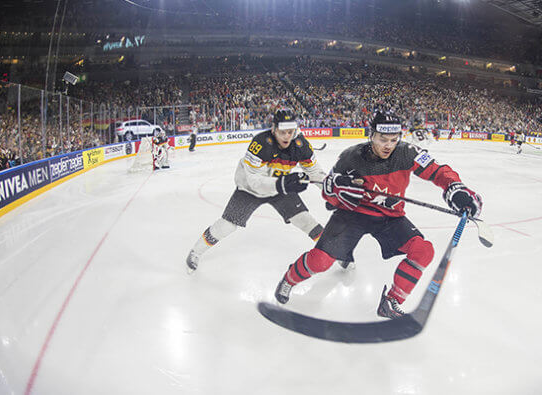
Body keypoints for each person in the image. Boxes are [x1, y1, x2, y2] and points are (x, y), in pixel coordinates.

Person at [272, 111, 483, 319]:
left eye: (393, 139)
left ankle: (392, 301)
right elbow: (329, 196)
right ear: (371, 135)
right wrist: (336, 191)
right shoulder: (350, 157)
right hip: (352, 215)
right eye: (383, 139)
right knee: (321, 262)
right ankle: (289, 280)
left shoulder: (408, 152)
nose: (388, 145)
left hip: (390, 216)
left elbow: (438, 171)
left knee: (423, 251)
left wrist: (455, 187)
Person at [185, 109, 327, 273]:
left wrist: (333, 188)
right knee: (227, 225)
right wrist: (283, 184)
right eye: (282, 132)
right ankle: (196, 251)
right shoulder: (260, 144)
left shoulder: (301, 145)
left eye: (290, 132)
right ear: (274, 129)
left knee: (305, 220)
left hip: (280, 186)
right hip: (250, 190)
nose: (287, 136)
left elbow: (315, 173)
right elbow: (255, 182)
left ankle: (334, 253)